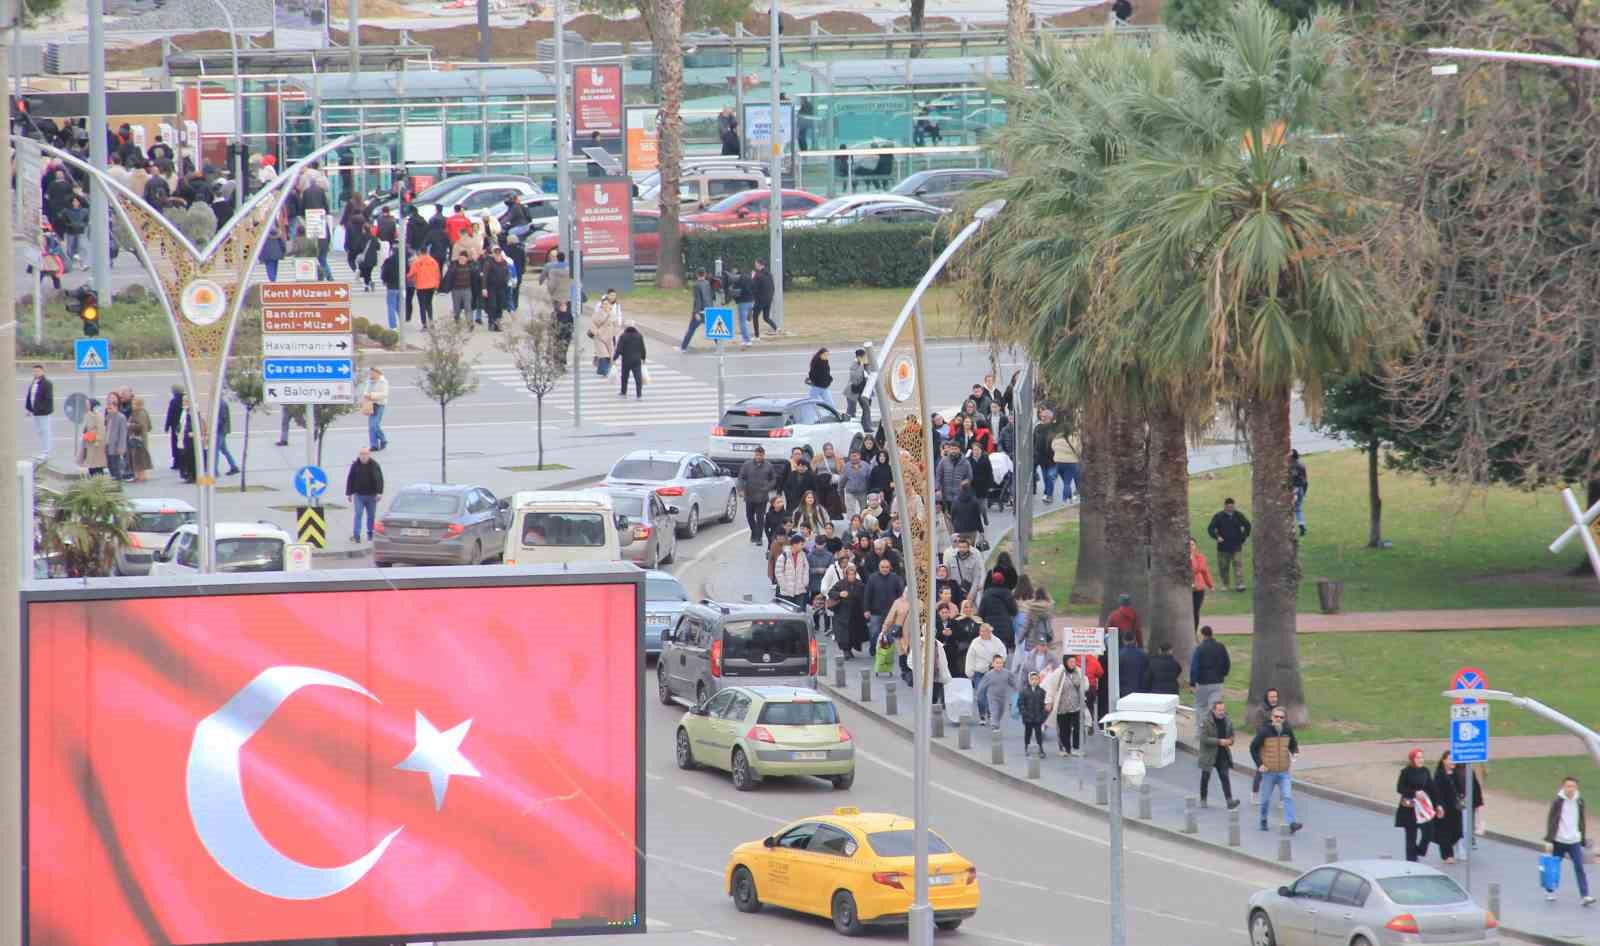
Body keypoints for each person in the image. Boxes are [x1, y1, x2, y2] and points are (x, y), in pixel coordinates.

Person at [1250, 705, 1303, 833]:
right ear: (1271, 717)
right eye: (1276, 716)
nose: (1278, 719)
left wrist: (1295, 751)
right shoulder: (1264, 731)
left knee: (1287, 797)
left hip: (1284, 772)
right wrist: (1259, 764)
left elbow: (1293, 744)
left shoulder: (1287, 729)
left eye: (1281, 717)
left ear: (1284, 719)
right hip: (1269, 772)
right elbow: (1253, 748)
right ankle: (1263, 819)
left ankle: (1291, 823)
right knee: (1265, 800)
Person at [1544, 776, 1593, 905]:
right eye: (1568, 786)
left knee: (1579, 867)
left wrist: (1582, 838)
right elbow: (1551, 821)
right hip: (1559, 841)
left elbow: (1581, 821)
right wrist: (1549, 840)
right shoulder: (1558, 802)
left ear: (1576, 788)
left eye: (1573, 786)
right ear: (1563, 787)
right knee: (1554, 866)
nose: (1570, 789)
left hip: (1574, 841)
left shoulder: (1580, 801)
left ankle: (1585, 895)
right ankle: (1550, 891)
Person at [1197, 700, 1241, 809]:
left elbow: (1232, 736)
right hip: (1209, 754)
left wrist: (1230, 741)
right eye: (1219, 710)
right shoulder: (1206, 721)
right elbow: (1203, 738)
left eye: (1223, 710)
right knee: (1205, 777)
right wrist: (1219, 741)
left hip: (1222, 754)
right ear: (1213, 710)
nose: (1222, 712)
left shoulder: (1228, 721)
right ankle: (1203, 799)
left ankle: (1229, 801)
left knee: (1225, 777)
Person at [1395, 748, 1435, 861]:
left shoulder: (1425, 771)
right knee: (1411, 837)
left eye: (1422, 757)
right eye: (1418, 757)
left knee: (1429, 833)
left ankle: (1419, 851)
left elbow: (1432, 787)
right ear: (1412, 759)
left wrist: (1438, 804)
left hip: (1423, 807)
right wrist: (1414, 793)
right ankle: (1411, 861)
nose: (1421, 759)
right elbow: (1399, 788)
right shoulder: (1405, 772)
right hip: (1410, 808)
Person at [1044, 654, 1087, 757]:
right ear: (1066, 662)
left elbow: (1086, 684)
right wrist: (1049, 701)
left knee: (1078, 728)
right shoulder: (1059, 673)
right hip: (1062, 707)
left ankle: (1076, 747)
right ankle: (1065, 748)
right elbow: (1052, 688)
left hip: (1076, 706)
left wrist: (1082, 685)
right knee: (1064, 729)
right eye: (1070, 662)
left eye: (1074, 662)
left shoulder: (1079, 671)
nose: (1073, 664)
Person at [1207, 497, 1252, 592]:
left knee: (1238, 565)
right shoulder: (1218, 516)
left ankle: (1240, 585)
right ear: (1225, 506)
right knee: (1223, 567)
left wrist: (1243, 537)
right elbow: (1210, 528)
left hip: (1236, 546)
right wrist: (1217, 537)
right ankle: (1225, 585)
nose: (1230, 508)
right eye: (1228, 506)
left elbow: (1247, 525)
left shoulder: (1238, 515)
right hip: (1223, 547)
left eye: (1232, 506)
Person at [864, 557, 906, 656]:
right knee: (874, 633)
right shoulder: (872, 578)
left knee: (890, 634)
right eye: (882, 567)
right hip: (875, 611)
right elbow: (867, 595)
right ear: (879, 567)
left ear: (890, 568)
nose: (885, 569)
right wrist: (866, 609)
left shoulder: (895, 578)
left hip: (891, 612)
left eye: (887, 567)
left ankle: (886, 651)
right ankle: (873, 648)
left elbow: (900, 594)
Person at [965, 623, 1007, 723]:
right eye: (981, 631)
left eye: (985, 631)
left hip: (992, 671)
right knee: (980, 694)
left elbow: (1003, 653)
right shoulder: (975, 642)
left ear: (990, 632)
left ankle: (990, 712)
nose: (982, 633)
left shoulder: (997, 641)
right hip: (979, 671)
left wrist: (997, 663)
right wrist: (969, 672)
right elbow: (970, 657)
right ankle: (982, 714)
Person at [738, 446, 778, 546]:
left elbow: (773, 479)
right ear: (754, 455)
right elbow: (741, 478)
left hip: (762, 497)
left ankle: (759, 537)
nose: (758, 457)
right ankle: (754, 532)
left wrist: (767, 487)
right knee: (749, 516)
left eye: (760, 455)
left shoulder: (769, 466)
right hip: (750, 495)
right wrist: (741, 489)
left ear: (764, 455)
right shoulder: (747, 465)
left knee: (760, 518)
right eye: (757, 455)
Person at [1189, 625, 1232, 718]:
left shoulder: (1200, 648)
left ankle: (1202, 728)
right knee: (1214, 707)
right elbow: (1227, 662)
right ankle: (1214, 728)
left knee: (1201, 706)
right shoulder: (1221, 647)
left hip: (1203, 682)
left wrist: (1192, 683)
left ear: (1202, 635)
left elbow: (1194, 666)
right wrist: (1223, 674)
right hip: (1217, 681)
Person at [345, 446, 384, 544]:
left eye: (365, 454)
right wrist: (349, 493)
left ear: (369, 455)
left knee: (371, 516)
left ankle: (370, 534)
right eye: (362, 454)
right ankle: (356, 535)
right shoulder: (355, 465)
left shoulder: (374, 465)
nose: (363, 456)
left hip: (372, 496)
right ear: (359, 455)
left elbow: (380, 479)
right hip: (359, 495)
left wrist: (379, 492)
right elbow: (350, 479)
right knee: (358, 514)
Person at [1432, 751, 1465, 863]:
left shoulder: (1456, 773)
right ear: (1444, 760)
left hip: (1455, 807)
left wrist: (1461, 796)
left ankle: (1450, 850)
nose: (1453, 762)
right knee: (1444, 831)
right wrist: (1438, 806)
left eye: (1454, 759)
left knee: (1456, 831)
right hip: (1443, 807)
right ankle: (1447, 855)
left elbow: (1461, 789)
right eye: (1450, 759)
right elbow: (1436, 792)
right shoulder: (1439, 775)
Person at [1251, 687, 1283, 804]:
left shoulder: (1280, 710)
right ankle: (1255, 793)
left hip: (1278, 744)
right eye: (1271, 697)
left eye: (1275, 696)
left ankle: (1282, 798)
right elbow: (1259, 728)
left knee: (1281, 770)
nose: (1274, 699)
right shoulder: (1261, 710)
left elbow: (1286, 726)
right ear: (1267, 697)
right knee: (1262, 769)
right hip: (1264, 744)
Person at [975, 653, 1018, 732]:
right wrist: (978, 693)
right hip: (992, 696)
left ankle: (996, 721)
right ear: (993, 664)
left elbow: (1012, 682)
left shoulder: (1007, 673)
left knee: (1001, 711)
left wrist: (1016, 688)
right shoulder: (989, 674)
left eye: (1000, 663)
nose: (999, 665)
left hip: (1002, 696)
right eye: (997, 663)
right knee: (994, 710)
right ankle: (995, 724)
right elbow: (982, 684)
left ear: (1003, 664)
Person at [977, 571, 1018, 650]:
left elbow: (981, 613)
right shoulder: (1007, 593)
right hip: (1005, 629)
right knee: (1002, 654)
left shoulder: (987, 594)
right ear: (1003, 581)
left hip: (990, 628)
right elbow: (1014, 611)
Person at [23, 365, 53, 461]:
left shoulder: (47, 383)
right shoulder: (34, 382)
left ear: (43, 372)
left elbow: (48, 399)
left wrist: (41, 409)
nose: (36, 373)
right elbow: (30, 396)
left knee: (45, 431)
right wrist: (29, 409)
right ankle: (42, 451)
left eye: (38, 371)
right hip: (35, 412)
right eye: (34, 371)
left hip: (43, 412)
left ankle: (46, 452)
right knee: (39, 432)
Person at [589, 289, 621, 376]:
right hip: (599, 337)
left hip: (609, 337)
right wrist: (597, 332)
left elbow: (617, 325)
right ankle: (604, 371)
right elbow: (592, 324)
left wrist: (614, 333)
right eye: (604, 304)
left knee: (610, 354)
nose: (606, 305)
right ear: (602, 305)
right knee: (604, 354)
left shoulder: (612, 314)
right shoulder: (597, 314)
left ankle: (602, 370)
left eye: (607, 304)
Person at [774, 533, 810, 608]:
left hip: (800, 590)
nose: (802, 546)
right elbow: (778, 572)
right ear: (795, 544)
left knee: (799, 613)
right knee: (788, 613)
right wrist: (784, 585)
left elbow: (806, 569)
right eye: (801, 544)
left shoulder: (803, 555)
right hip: (787, 591)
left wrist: (804, 583)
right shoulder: (783, 556)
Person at [680, 268, 712, 352]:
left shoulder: (696, 285)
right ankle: (718, 345)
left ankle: (683, 347)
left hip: (700, 311)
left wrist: (696, 312)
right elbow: (709, 297)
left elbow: (697, 300)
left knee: (691, 329)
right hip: (708, 309)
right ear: (705, 274)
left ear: (697, 274)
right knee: (713, 329)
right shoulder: (707, 283)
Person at [1018, 671, 1049, 757]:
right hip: (1028, 718)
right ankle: (1026, 747)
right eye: (1032, 679)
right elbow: (1020, 703)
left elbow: (1044, 705)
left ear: (1039, 680)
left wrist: (1043, 716)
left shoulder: (1042, 692)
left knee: (1038, 734)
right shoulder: (1024, 691)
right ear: (1029, 680)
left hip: (1038, 718)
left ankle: (1040, 748)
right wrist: (1024, 713)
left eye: (1036, 679)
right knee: (1028, 733)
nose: (1034, 681)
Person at [407, 249, 440, 327]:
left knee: (422, 305)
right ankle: (431, 320)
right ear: (427, 252)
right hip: (431, 286)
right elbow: (437, 274)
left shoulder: (417, 262)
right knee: (429, 304)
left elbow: (411, 273)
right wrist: (437, 285)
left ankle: (424, 323)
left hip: (421, 286)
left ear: (420, 252)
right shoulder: (433, 261)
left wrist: (406, 277)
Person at [1190, 537, 1217, 630]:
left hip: (1198, 589)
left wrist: (1210, 585)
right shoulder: (1180, 558)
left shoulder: (1200, 557)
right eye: (1188, 545)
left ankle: (1194, 631)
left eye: (1192, 544)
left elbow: (1203, 570)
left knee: (1195, 610)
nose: (1190, 546)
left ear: (1195, 546)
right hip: (1185, 589)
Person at [616, 322, 648, 399]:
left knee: (624, 377)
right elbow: (643, 348)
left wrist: (614, 358)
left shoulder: (623, 336)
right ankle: (639, 394)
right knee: (638, 377)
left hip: (626, 360)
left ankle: (623, 392)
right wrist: (643, 358)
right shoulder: (639, 335)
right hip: (636, 360)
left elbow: (619, 349)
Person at [362, 367, 389, 452]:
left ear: (378, 373)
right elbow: (365, 391)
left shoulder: (383, 382)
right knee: (371, 426)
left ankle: (383, 439)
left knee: (374, 424)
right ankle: (374, 445)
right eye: (370, 373)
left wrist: (372, 395)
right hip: (370, 404)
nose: (371, 374)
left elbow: (384, 394)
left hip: (379, 405)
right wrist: (366, 395)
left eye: (373, 373)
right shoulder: (369, 381)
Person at [77, 398, 107, 476]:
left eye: (88, 404)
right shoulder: (88, 415)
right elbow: (86, 427)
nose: (86, 406)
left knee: (97, 466)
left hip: (96, 445)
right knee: (91, 466)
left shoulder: (98, 416)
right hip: (89, 443)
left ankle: (99, 482)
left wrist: (97, 440)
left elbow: (101, 430)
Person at [126, 396, 153, 482]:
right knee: (137, 457)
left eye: (133, 403)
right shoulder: (140, 412)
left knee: (139, 458)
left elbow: (141, 426)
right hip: (139, 438)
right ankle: (138, 476)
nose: (132, 405)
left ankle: (141, 477)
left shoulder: (140, 413)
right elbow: (149, 427)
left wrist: (130, 425)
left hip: (138, 439)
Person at [844, 347, 873, 427]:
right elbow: (855, 377)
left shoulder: (866, 364)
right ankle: (847, 425)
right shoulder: (854, 365)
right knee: (851, 411)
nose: (865, 358)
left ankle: (866, 427)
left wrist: (866, 365)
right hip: (853, 391)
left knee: (866, 407)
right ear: (859, 357)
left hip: (862, 391)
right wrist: (861, 365)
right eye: (864, 357)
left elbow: (870, 375)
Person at [104, 396, 129, 481]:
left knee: (116, 465)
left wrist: (121, 448)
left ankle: (118, 482)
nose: (108, 410)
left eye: (110, 408)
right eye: (108, 409)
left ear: (116, 408)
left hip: (116, 446)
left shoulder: (121, 418)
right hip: (108, 444)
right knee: (109, 464)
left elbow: (123, 434)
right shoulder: (108, 417)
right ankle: (113, 479)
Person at [1116, 632, 1148, 699]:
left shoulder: (1118, 655)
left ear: (1123, 640)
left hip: (1123, 690)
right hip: (1139, 690)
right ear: (1134, 640)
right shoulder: (1142, 655)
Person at [751, 259, 777, 338]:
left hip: (760, 300)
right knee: (766, 317)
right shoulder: (769, 274)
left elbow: (754, 287)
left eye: (756, 264)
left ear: (760, 265)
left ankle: (757, 335)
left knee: (755, 316)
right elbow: (772, 287)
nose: (755, 265)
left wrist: (752, 277)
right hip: (768, 299)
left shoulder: (758, 275)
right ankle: (776, 328)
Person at [214, 399, 240, 476]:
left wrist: (214, 426)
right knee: (224, 450)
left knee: (215, 451)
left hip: (220, 430)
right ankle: (234, 466)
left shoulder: (220, 404)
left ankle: (214, 471)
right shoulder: (220, 403)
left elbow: (222, 419)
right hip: (222, 430)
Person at [163, 385, 185, 471]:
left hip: (175, 426)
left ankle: (176, 463)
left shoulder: (174, 401)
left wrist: (167, 426)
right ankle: (183, 462)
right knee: (182, 444)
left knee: (175, 444)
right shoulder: (186, 399)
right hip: (183, 425)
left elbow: (170, 414)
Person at [1290, 449, 1309, 536]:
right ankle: (1301, 524)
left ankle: (1291, 528)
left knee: (1289, 510)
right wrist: (1304, 492)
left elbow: (1291, 477)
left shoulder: (1292, 466)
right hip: (1301, 488)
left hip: (1293, 490)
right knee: (1298, 508)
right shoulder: (1302, 464)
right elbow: (1305, 480)